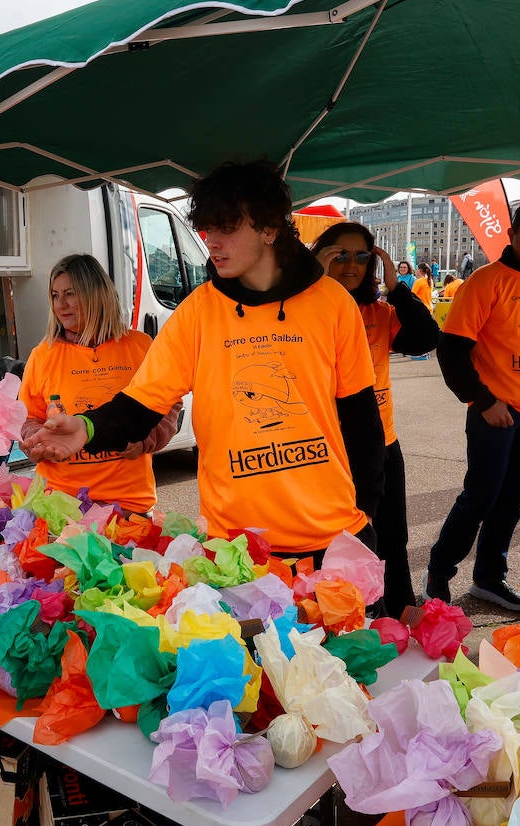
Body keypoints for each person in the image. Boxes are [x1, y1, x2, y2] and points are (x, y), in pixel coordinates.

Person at [23, 159, 385, 563]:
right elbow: (140, 405)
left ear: (269, 229)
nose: (211, 241)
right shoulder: (198, 311)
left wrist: (367, 508)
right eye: (207, 228)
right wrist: (86, 427)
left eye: (227, 228)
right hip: (235, 546)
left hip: (332, 536)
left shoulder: (332, 303)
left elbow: (361, 417)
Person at [424, 198, 520, 612]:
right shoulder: (486, 282)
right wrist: (483, 399)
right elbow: (452, 349)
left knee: (511, 500)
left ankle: (490, 578)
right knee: (481, 497)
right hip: (498, 411)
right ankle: (439, 572)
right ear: (512, 233)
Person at [311, 222, 439, 617]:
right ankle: (350, 618)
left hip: (381, 444)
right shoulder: (299, 312)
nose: (351, 264)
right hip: (328, 452)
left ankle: (397, 610)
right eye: (339, 254)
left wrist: (398, 287)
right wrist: (314, 279)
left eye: (362, 256)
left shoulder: (380, 312)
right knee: (343, 543)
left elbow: (426, 338)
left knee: (392, 536)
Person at [19, 254, 178, 514]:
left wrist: (147, 439)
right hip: (62, 503)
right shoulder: (43, 354)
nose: (61, 305)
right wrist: (38, 443)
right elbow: (28, 419)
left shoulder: (139, 346)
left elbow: (168, 404)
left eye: (70, 293)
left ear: (95, 294)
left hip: (128, 504)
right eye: (55, 295)